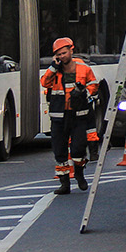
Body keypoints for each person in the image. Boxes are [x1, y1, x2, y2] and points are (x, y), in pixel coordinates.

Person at [40, 37, 99, 195]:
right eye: (58, 54)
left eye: (64, 53)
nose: (62, 57)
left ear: (71, 50)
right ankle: (64, 183)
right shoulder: (55, 70)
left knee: (78, 149)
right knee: (59, 151)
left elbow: (93, 85)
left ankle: (79, 174)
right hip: (59, 116)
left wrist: (84, 92)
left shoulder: (83, 68)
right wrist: (53, 66)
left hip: (78, 116)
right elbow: (44, 82)